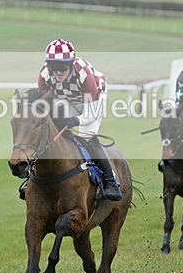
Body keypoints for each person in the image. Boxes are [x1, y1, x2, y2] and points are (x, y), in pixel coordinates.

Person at [34, 38, 122, 201]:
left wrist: (75, 121)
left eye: (63, 67)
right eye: (54, 67)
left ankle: (110, 181)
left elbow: (91, 114)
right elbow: (44, 107)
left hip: (92, 97)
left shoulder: (84, 74)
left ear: (71, 63)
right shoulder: (45, 75)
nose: (58, 72)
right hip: (66, 97)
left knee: (86, 136)